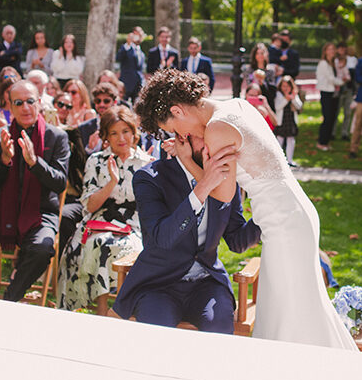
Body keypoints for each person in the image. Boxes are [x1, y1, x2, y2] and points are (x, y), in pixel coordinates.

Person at [133, 68, 358, 349]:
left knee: (290, 314)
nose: (181, 135)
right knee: (301, 308)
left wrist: (187, 160)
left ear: (178, 111)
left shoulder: (217, 129)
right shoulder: (237, 105)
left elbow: (223, 195)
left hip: (283, 223)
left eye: (176, 129)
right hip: (293, 211)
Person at [112, 132, 262, 333]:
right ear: (183, 138)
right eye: (203, 134)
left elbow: (237, 241)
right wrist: (205, 186)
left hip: (206, 283)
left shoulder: (226, 181)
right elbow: (163, 238)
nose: (214, 141)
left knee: (218, 329)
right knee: (157, 333)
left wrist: (265, 215)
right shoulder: (150, 178)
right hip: (158, 284)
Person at [0, 80, 70, 301]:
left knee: (42, 249)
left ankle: (11, 297)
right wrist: (4, 160)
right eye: (18, 103)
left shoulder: (56, 137)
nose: (25, 107)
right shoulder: (0, 135)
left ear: (39, 103)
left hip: (40, 212)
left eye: (30, 101)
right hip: (3, 211)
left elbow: (60, 183)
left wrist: (35, 163)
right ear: (10, 107)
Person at [58, 106, 154, 311]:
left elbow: (152, 205)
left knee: (125, 248)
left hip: (134, 223)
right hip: (99, 220)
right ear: (106, 137)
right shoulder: (96, 161)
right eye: (114, 133)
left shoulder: (146, 163)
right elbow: (89, 206)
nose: (121, 138)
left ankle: (122, 309)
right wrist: (112, 182)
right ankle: (101, 310)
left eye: (125, 131)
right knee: (96, 244)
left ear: (134, 132)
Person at [315, 42, 345, 151]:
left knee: (332, 118)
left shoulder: (332, 63)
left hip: (333, 93)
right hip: (326, 93)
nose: (332, 51)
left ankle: (326, 142)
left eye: (333, 49)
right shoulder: (323, 63)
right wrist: (343, 82)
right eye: (329, 49)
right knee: (327, 118)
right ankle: (321, 142)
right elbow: (331, 78)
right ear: (325, 51)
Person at [78, 82, 121, 155]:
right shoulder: (84, 128)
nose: (101, 104)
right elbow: (80, 157)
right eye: (98, 101)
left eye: (106, 101)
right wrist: (90, 148)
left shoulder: (122, 125)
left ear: (115, 102)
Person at [274, 76, 302, 167]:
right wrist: (286, 99)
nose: (285, 88)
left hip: (291, 120)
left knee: (291, 139)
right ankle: (278, 160)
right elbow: (277, 107)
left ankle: (289, 160)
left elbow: (299, 106)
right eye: (284, 86)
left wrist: (292, 98)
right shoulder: (278, 95)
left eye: (287, 86)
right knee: (280, 139)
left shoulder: (294, 94)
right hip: (282, 120)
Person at [334, 42, 356, 141]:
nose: (342, 51)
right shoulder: (334, 61)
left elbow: (353, 76)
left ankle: (345, 132)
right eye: (340, 49)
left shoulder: (352, 60)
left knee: (347, 112)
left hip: (348, 88)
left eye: (344, 49)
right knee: (336, 111)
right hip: (338, 89)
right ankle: (333, 132)